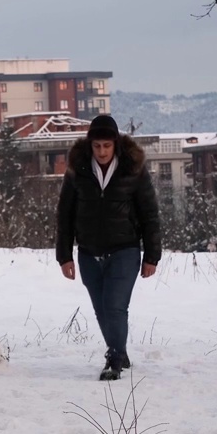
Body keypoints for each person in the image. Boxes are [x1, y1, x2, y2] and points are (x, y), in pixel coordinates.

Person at [55, 114, 161, 381]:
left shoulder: (132, 170)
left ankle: (114, 358)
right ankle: (121, 351)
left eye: (107, 146)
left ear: (116, 145)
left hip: (124, 250)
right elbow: (64, 214)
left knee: (114, 306)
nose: (102, 151)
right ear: (90, 145)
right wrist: (64, 256)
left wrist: (152, 255)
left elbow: (149, 213)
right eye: (97, 146)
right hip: (89, 253)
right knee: (101, 309)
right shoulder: (77, 170)